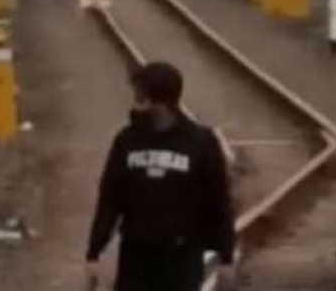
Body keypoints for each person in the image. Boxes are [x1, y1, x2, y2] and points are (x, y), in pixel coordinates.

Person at [86, 62, 236, 291]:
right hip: (135, 256)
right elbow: (109, 198)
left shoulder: (200, 142)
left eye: (140, 95)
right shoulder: (127, 140)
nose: (135, 102)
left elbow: (219, 202)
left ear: (158, 101)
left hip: (182, 259)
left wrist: (226, 258)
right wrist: (94, 252)